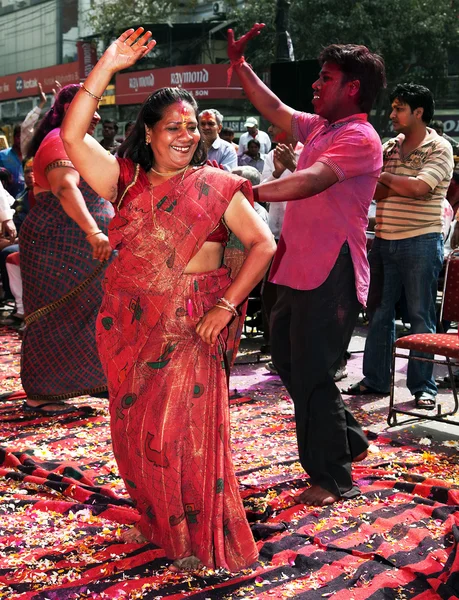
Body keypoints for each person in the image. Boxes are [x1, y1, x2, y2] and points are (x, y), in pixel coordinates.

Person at [60, 27, 275, 572]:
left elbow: (262, 244)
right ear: (149, 134)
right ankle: (162, 519)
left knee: (183, 434)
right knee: (138, 435)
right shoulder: (126, 183)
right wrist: (106, 66)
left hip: (193, 323)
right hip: (132, 328)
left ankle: (197, 538)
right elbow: (71, 134)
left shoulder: (217, 186)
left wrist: (226, 307)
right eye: (172, 128)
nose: (184, 136)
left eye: (190, 128)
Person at [227, 24, 386, 506]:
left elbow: (309, 181)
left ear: (352, 88)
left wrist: (244, 192)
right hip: (296, 268)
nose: (315, 85)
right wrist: (239, 66)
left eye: (325, 77)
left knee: (314, 373)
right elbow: (274, 108)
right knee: (291, 363)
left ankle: (333, 477)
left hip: (331, 272)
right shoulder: (321, 127)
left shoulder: (360, 137)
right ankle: (350, 440)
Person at [345, 84, 454, 410]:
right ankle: (375, 379)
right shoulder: (390, 146)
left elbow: (421, 188)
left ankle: (424, 387)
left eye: (398, 108)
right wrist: (394, 182)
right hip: (385, 241)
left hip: (421, 241)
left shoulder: (440, 147)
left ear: (418, 112)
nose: (391, 115)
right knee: (378, 314)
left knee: (421, 317)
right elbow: (376, 194)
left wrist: (385, 177)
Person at [18, 84, 113, 415]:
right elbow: (64, 187)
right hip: (62, 244)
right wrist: (94, 232)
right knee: (56, 316)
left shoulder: (79, 141)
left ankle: (94, 381)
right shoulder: (59, 140)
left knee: (88, 314)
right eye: (91, 106)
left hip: (76, 246)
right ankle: (42, 393)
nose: (98, 114)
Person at [0, 125, 25, 198]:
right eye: (18, 137)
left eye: (24, 137)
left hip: (27, 203)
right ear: (14, 138)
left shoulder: (31, 156)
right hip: (8, 202)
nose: (21, 140)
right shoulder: (2, 156)